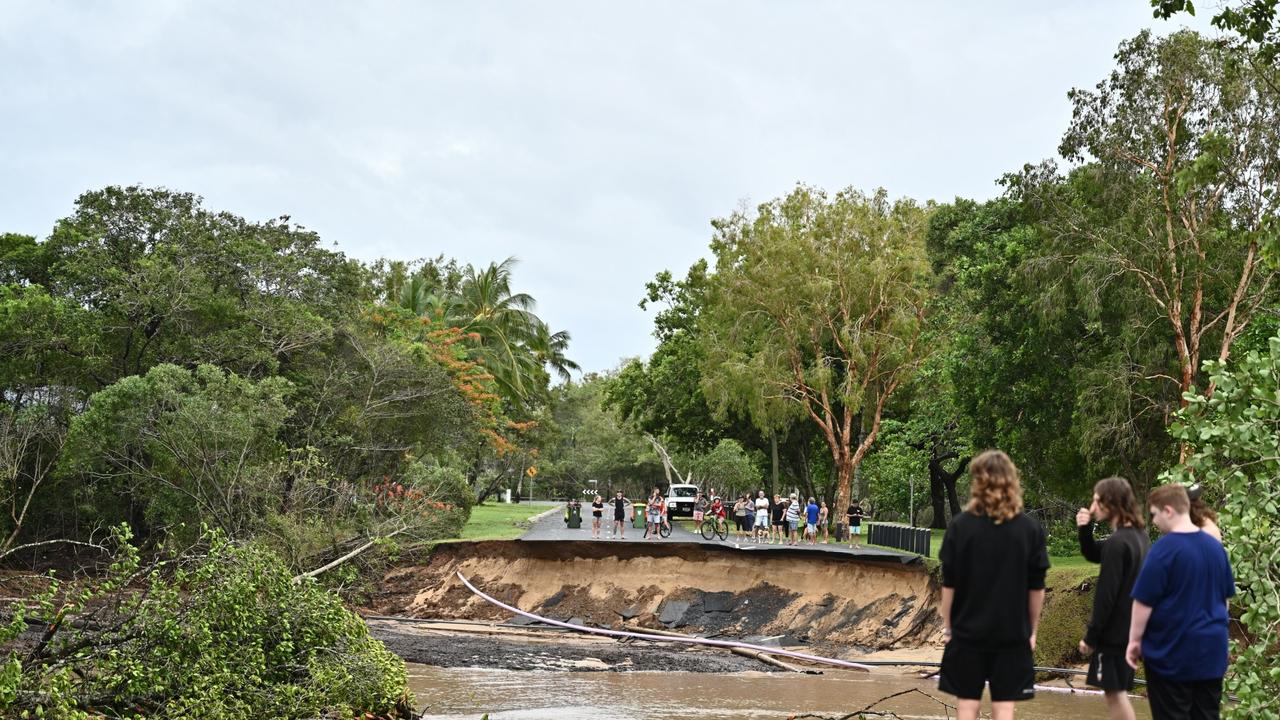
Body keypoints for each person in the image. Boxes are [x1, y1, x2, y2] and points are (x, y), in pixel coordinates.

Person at [938, 450, 1049, 720]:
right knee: (1004, 707)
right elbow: (1036, 588)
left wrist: (948, 627)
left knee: (967, 705)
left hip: (967, 631)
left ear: (978, 482)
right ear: (1012, 481)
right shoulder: (1029, 529)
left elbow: (949, 585)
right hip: (1012, 633)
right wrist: (1031, 630)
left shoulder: (960, 527)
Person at [1127, 484, 1234, 720]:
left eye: (1154, 514)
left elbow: (1143, 602)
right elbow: (1224, 601)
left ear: (1168, 511)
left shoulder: (1164, 550)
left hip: (1173, 654)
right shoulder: (1216, 548)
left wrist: (1134, 641)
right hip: (1211, 654)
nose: (1153, 521)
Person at [1076, 477, 1149, 720]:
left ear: (1111, 503)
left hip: (1115, 635)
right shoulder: (1138, 537)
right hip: (1130, 631)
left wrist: (1091, 636)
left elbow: (1106, 596)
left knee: (1115, 695)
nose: (1092, 506)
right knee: (1117, 694)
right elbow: (1094, 553)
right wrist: (1084, 529)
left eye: (1097, 500)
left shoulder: (1118, 543)